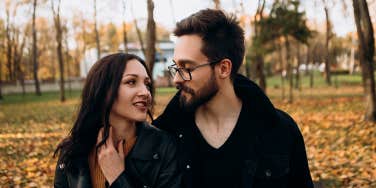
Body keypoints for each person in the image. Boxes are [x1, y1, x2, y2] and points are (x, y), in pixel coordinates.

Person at [152, 9, 313, 188]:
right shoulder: (165, 135)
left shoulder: (280, 130)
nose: (176, 79)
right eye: (176, 67)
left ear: (223, 68)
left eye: (187, 68)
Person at [54, 53, 181, 188]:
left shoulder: (165, 147)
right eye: (131, 82)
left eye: (147, 84)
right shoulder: (73, 150)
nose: (145, 92)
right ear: (103, 91)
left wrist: (117, 177)